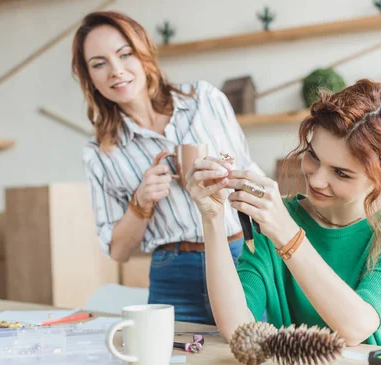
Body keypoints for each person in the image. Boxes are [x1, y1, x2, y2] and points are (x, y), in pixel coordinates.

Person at [186, 79, 381, 348]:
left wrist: (286, 233)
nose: (316, 180)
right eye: (313, 157)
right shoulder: (276, 217)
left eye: (341, 173)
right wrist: (212, 218)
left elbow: (356, 327)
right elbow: (237, 326)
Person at [71, 11, 260, 324]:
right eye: (99, 63)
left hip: (240, 258)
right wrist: (141, 202)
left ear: (144, 52)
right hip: (173, 276)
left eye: (124, 54)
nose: (116, 71)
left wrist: (227, 174)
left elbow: (249, 174)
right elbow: (118, 252)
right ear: (89, 77)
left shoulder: (206, 100)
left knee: (253, 357)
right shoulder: (99, 153)